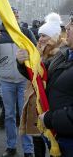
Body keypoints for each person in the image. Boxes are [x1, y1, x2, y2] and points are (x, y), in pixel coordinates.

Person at [17, 12, 73, 157]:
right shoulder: (65, 54)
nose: (66, 27)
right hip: (57, 131)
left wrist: (49, 119)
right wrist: (24, 63)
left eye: (72, 24)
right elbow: (41, 74)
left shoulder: (60, 52)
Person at [0, 7, 36, 157]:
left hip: (23, 81)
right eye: (12, 15)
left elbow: (36, 52)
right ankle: (11, 146)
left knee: (24, 115)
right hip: (6, 81)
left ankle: (28, 149)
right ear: (5, 16)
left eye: (17, 15)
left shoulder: (25, 32)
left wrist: (29, 53)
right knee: (9, 115)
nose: (15, 18)